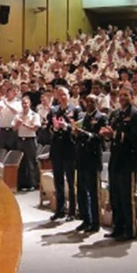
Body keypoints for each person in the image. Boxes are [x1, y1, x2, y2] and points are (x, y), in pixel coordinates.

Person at [100, 88, 137, 241]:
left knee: (127, 198)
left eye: (126, 95)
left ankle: (130, 230)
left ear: (132, 96)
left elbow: (135, 138)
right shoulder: (116, 114)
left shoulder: (136, 114)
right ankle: (117, 227)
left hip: (129, 160)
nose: (123, 98)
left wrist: (115, 135)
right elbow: (111, 135)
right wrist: (106, 134)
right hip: (115, 158)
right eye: (121, 95)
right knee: (115, 196)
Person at [73, 94, 108, 233]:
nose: (89, 104)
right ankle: (85, 219)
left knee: (94, 192)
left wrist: (84, 133)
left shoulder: (101, 117)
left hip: (93, 157)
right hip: (81, 157)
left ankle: (95, 222)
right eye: (87, 101)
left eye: (92, 101)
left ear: (97, 103)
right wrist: (75, 133)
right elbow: (78, 136)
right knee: (81, 190)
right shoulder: (84, 117)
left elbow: (99, 136)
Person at [47, 86, 80, 220]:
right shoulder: (54, 110)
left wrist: (66, 127)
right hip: (57, 148)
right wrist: (54, 128)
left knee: (71, 181)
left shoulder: (75, 110)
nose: (62, 97)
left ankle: (72, 211)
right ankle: (60, 209)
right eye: (59, 95)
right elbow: (48, 127)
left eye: (64, 95)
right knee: (58, 180)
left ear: (69, 95)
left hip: (69, 148)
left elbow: (78, 128)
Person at [14, 96, 41, 191]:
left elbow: (35, 128)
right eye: (23, 103)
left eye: (26, 103)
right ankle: (22, 183)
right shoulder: (18, 115)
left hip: (30, 139)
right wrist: (18, 123)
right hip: (21, 139)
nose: (24, 105)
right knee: (21, 162)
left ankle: (34, 183)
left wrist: (24, 124)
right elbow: (14, 128)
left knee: (31, 161)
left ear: (30, 104)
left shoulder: (34, 115)